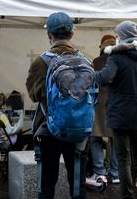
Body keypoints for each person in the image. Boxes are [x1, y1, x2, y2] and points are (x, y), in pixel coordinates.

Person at [26, 12, 87, 199]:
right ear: (72, 34)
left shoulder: (40, 62)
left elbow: (33, 95)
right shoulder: (85, 61)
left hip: (48, 128)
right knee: (77, 186)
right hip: (78, 129)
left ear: (49, 35)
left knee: (46, 185)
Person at [95, 20, 137, 199]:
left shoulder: (116, 55)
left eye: (118, 34)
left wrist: (92, 74)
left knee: (123, 159)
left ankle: (127, 195)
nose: (116, 38)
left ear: (122, 36)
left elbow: (105, 77)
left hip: (119, 114)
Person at [87, 34, 119, 185]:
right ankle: (115, 172)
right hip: (116, 105)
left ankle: (100, 172)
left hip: (99, 104)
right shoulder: (121, 60)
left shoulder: (96, 62)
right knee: (115, 138)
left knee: (95, 137)